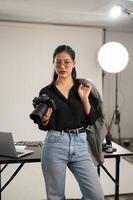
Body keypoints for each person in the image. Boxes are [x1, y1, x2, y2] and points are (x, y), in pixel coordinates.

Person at [38, 45, 104, 200]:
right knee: (55, 197)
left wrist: (84, 98)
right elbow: (43, 125)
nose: (62, 66)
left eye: (66, 62)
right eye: (58, 62)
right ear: (53, 63)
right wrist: (45, 119)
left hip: (80, 144)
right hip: (55, 143)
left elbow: (91, 119)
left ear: (74, 63)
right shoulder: (46, 92)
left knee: (96, 196)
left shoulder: (83, 87)